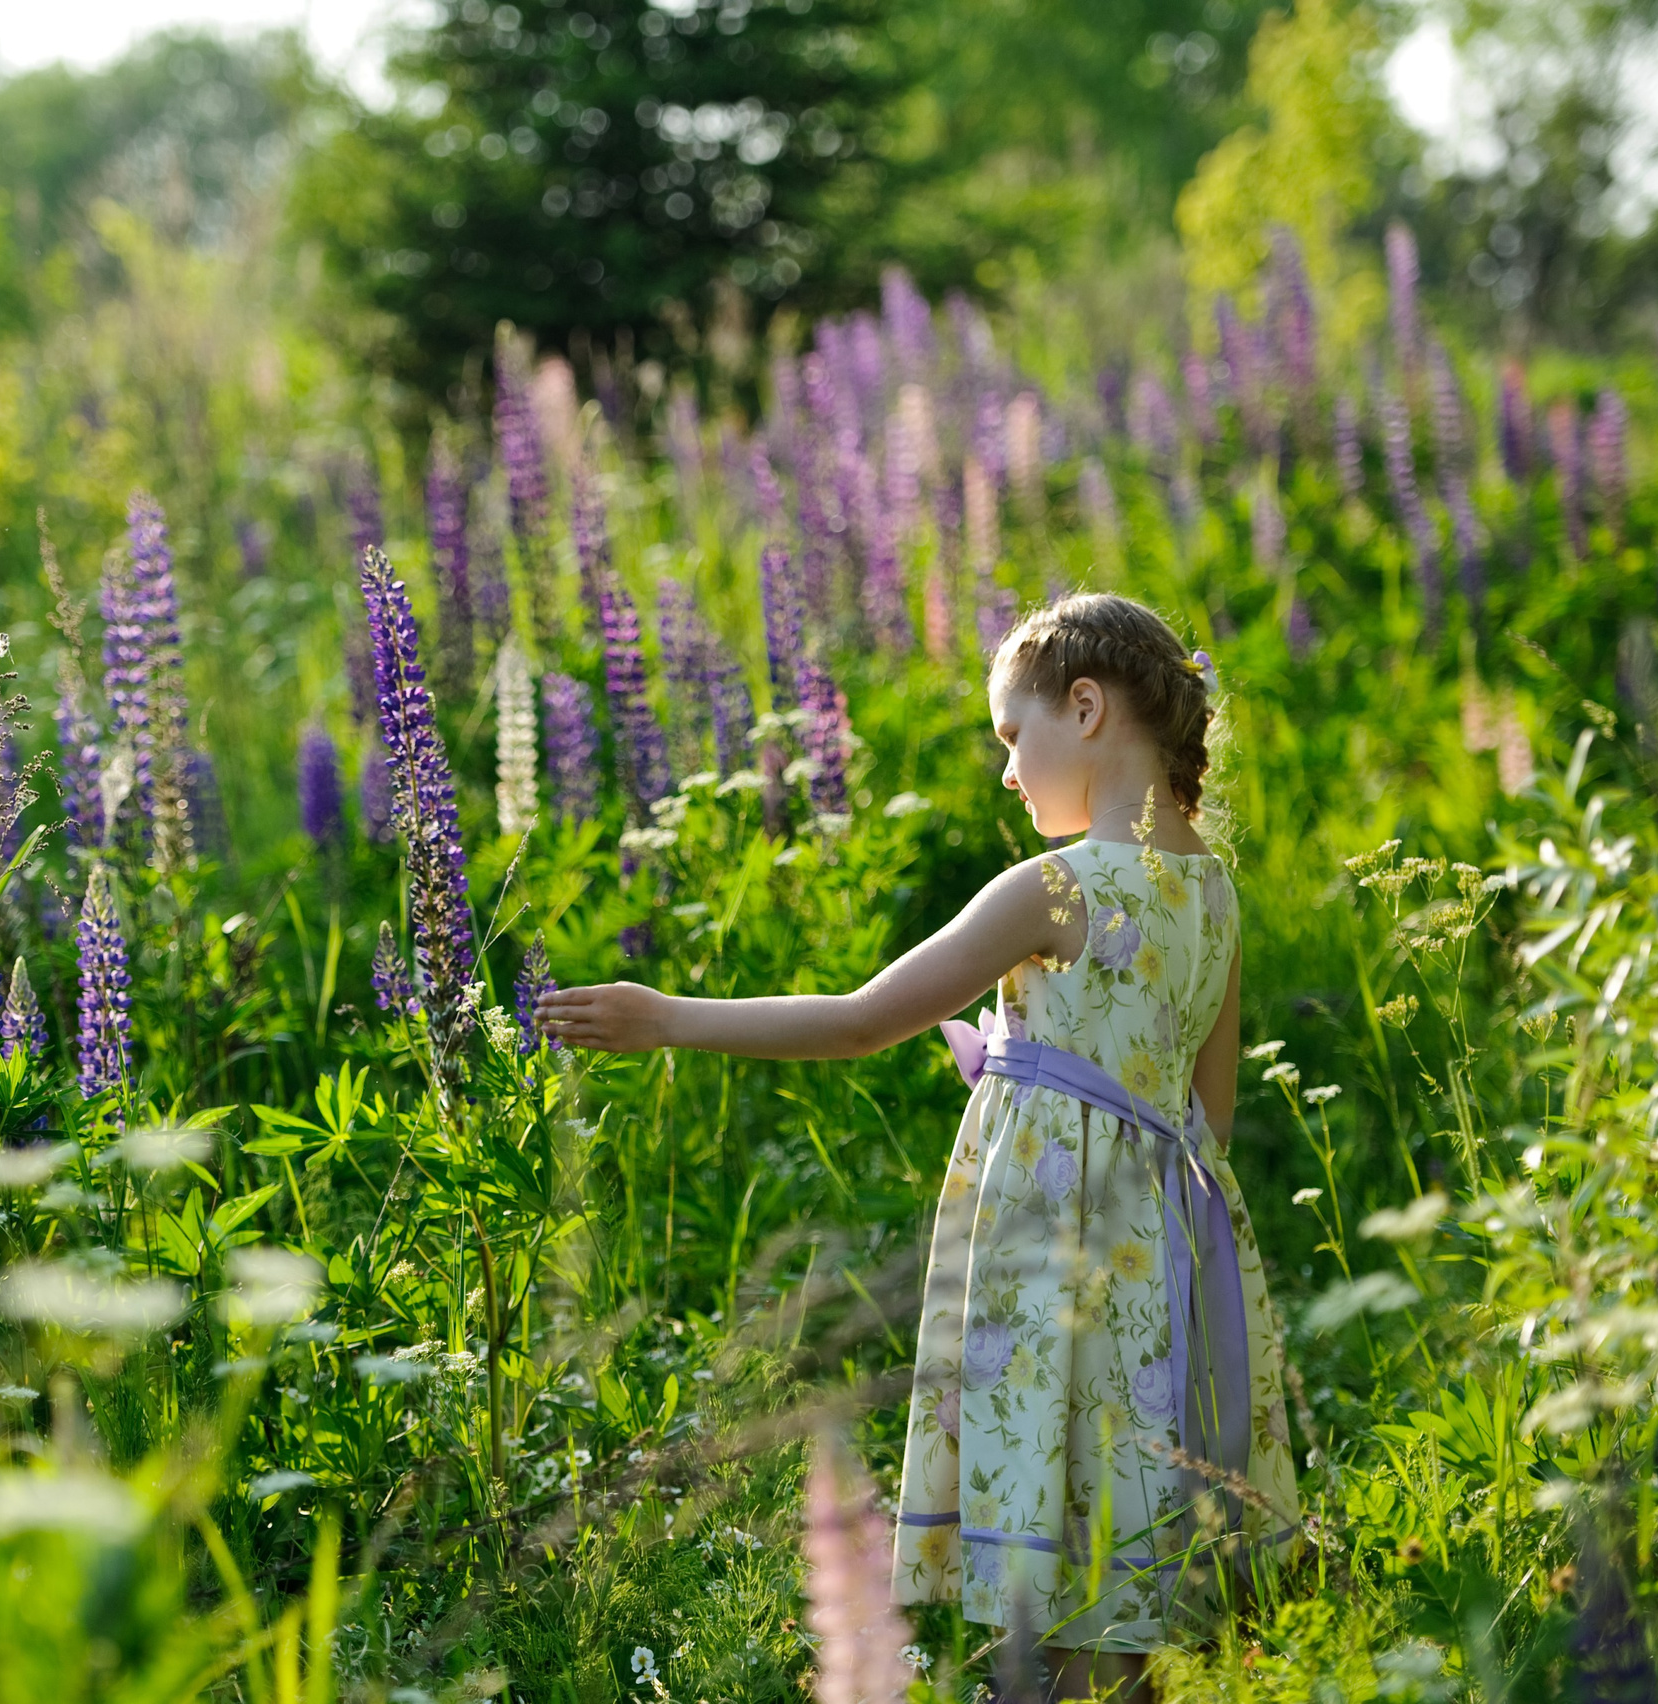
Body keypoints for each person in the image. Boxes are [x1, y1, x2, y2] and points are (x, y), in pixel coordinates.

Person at [537, 593, 1302, 1694]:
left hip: (1057, 1267)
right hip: (1169, 1267)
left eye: (1012, 736)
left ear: (1086, 709)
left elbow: (862, 1020)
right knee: (1129, 1534)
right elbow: (1208, 1125)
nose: (1007, 773)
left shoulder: (1053, 889)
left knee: (1053, 1545)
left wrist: (666, 1018)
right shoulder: (1214, 893)